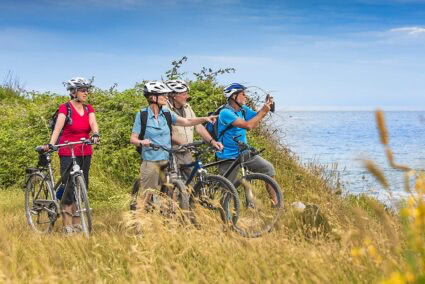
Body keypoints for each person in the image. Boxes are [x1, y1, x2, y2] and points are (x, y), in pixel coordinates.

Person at [130, 81, 216, 211]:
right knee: (148, 195)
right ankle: (138, 221)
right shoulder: (142, 115)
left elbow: (186, 122)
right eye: (162, 95)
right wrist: (142, 142)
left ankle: (168, 219)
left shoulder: (166, 113)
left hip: (167, 158)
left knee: (169, 191)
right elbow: (133, 139)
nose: (166, 96)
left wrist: (204, 119)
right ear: (153, 98)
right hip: (150, 161)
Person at [43, 77, 100, 235]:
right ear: (74, 92)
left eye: (87, 90)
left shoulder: (88, 109)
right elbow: (57, 129)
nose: (86, 93)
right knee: (69, 187)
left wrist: (95, 134)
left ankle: (77, 224)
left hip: (84, 150)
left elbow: (93, 123)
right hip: (67, 151)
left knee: (81, 187)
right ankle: (67, 225)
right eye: (83, 90)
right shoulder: (65, 108)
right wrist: (51, 144)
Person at [215, 83, 278, 204]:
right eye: (243, 94)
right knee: (227, 189)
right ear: (234, 96)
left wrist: (265, 107)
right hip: (228, 156)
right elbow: (248, 125)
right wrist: (263, 112)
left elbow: (255, 118)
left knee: (268, 169)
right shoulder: (225, 113)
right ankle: (225, 218)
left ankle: (276, 204)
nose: (246, 97)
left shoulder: (243, 110)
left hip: (243, 152)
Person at [165, 79, 223, 177]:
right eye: (184, 94)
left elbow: (198, 126)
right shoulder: (164, 109)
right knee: (173, 183)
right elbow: (165, 132)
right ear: (174, 96)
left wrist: (212, 141)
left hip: (186, 152)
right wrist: (183, 143)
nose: (187, 97)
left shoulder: (187, 107)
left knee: (190, 184)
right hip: (171, 152)